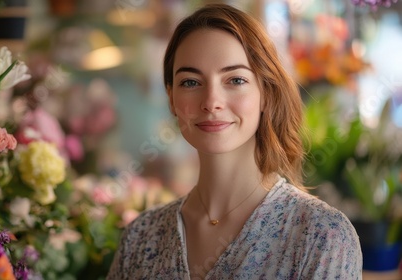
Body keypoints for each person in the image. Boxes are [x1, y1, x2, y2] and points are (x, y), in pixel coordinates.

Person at [107, 3, 362, 279]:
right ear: (171, 98)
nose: (211, 102)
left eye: (235, 80)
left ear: (266, 92)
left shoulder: (321, 237)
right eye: (191, 82)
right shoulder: (140, 236)